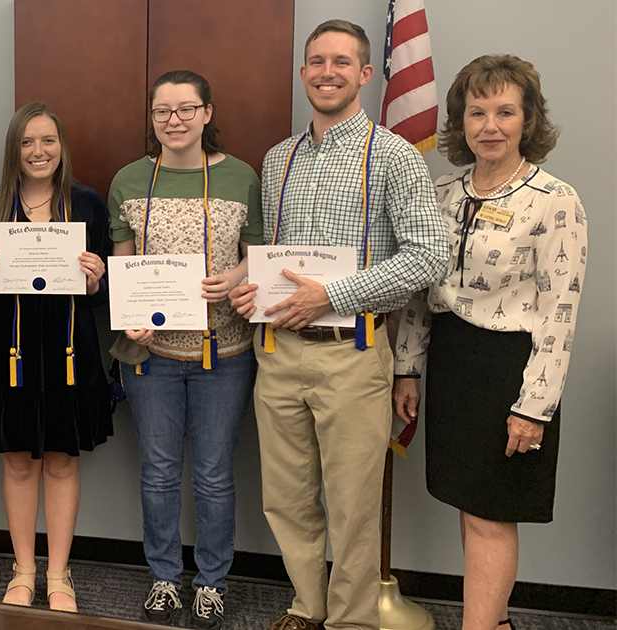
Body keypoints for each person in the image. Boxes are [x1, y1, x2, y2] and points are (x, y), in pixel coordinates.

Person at [228, 20, 449, 630]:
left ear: (365, 73)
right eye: (316, 62)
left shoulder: (396, 155)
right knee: (287, 498)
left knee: (353, 506)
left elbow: (429, 255)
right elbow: (273, 257)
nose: (327, 72)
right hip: (275, 352)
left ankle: (350, 621)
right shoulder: (279, 158)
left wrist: (335, 295)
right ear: (303, 74)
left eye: (341, 63)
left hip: (352, 353)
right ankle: (308, 604)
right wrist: (251, 292)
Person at [393, 54, 586, 630]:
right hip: (453, 361)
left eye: (505, 112)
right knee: (470, 503)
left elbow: (561, 313)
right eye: (477, 112)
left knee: (491, 513)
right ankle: (493, 623)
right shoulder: (444, 193)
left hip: (511, 369)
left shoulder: (554, 199)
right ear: (460, 121)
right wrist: (408, 369)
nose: (490, 125)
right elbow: (421, 290)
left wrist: (534, 407)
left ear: (528, 120)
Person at [109, 70, 261, 629]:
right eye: (161, 111)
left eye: (185, 109)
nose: (173, 120)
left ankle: (213, 582)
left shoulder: (243, 175)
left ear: (207, 113)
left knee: (217, 473)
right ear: (151, 119)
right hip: (151, 359)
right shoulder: (128, 180)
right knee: (158, 471)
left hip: (224, 351)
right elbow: (123, 264)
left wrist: (234, 276)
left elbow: (259, 254)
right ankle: (165, 578)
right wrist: (130, 319)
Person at [0, 102, 113, 612]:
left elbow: (102, 292)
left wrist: (97, 279)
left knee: (63, 461)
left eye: (48, 140)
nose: (38, 151)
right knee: (19, 462)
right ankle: (24, 568)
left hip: (68, 347)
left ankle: (59, 573)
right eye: (27, 142)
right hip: (10, 349)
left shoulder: (87, 204)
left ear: (61, 147)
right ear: (14, 150)